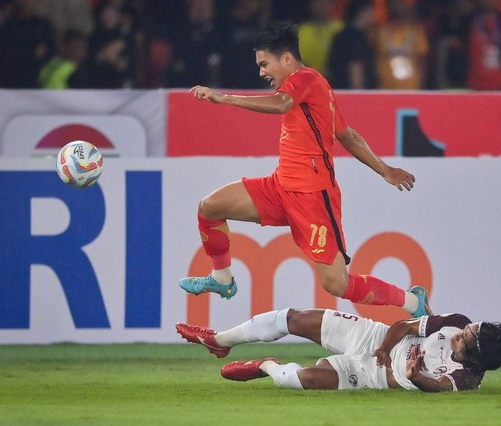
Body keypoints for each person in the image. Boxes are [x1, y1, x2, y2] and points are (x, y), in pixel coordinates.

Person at [181, 21, 431, 318]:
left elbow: (281, 104)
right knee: (209, 207)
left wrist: (223, 97)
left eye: (264, 64)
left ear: (286, 59)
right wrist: (384, 169)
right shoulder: (315, 88)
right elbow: (347, 134)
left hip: (313, 198)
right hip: (279, 187)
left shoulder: (306, 79)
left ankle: (413, 303)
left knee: (337, 284)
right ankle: (222, 279)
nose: (261, 72)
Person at [175, 307, 501, 392]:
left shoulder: (467, 377)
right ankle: (219, 341)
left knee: (302, 380)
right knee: (293, 318)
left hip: (372, 377)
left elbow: (436, 386)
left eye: (464, 339)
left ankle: (264, 365)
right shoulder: (455, 321)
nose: (459, 334)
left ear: (474, 355)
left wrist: (414, 375)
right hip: (373, 338)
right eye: (466, 330)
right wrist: (383, 346)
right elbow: (404, 327)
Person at [327, 0, 378, 89]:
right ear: (362, 12)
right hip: (353, 93)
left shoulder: (339, 35)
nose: (374, 16)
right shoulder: (357, 38)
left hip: (338, 91)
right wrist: (358, 93)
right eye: (372, 11)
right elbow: (355, 68)